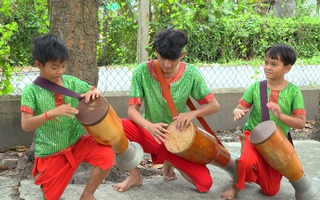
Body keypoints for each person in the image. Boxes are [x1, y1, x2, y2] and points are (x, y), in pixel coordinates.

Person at [112, 27, 220, 193]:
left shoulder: (191, 73)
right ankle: (134, 175)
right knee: (113, 125)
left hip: (179, 141)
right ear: (156, 52)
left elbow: (214, 106)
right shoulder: (142, 71)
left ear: (182, 56)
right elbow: (132, 111)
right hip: (150, 134)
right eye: (163, 58)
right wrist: (148, 126)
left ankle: (170, 161)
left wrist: (192, 114)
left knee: (204, 184)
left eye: (173, 59)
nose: (167, 65)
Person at [20, 34, 115, 200]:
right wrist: (51, 113)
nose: (60, 71)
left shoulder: (71, 82)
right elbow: (26, 125)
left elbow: (94, 90)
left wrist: (94, 93)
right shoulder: (31, 91)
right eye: (54, 67)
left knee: (107, 156)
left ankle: (87, 194)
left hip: (78, 143)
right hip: (51, 153)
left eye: (63, 66)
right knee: (51, 197)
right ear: (38, 64)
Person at [221, 44, 306, 200]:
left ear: (287, 68)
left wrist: (280, 115)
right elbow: (239, 108)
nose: (268, 67)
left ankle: (244, 171)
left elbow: (300, 123)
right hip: (253, 135)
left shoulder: (294, 91)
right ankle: (236, 186)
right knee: (246, 161)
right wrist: (237, 111)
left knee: (270, 190)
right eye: (266, 63)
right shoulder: (256, 87)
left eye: (274, 64)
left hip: (277, 142)